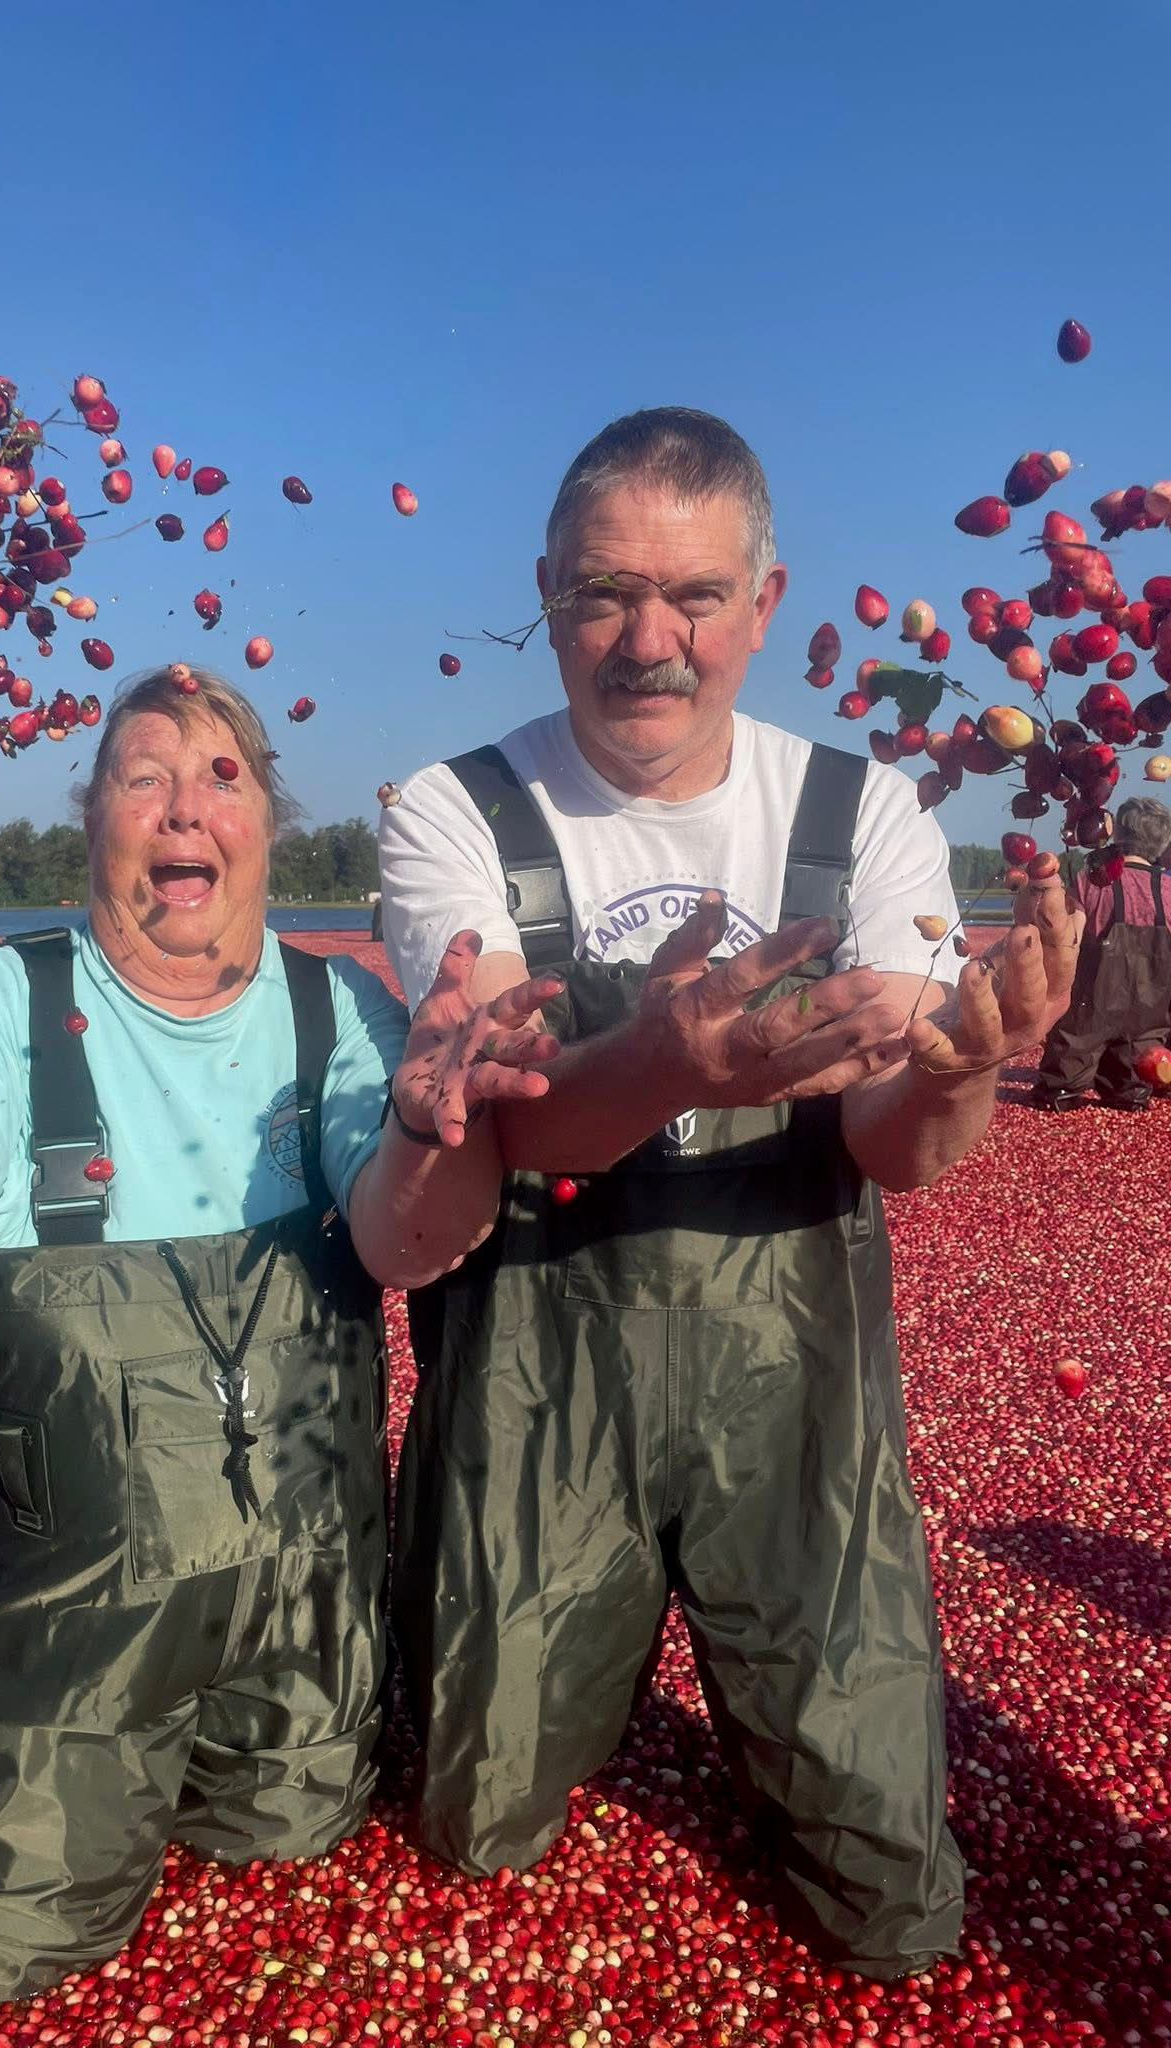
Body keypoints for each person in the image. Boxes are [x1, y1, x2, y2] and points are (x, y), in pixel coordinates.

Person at [0, 663, 559, 2009]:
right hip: (56, 1637)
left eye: (222, 775)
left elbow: (401, 1244)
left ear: (267, 827)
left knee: (292, 1868)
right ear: (95, 824)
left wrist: (430, 1128)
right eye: (144, 775)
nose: (184, 804)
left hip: (304, 1615)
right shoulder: (0, 1010)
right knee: (14, 1947)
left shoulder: (344, 1017)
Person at [377, 408, 1077, 1981]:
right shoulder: (452, 811)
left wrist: (966, 1066)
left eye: (694, 597)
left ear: (764, 603)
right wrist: (695, 1069)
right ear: (544, 592)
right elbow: (500, 1116)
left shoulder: (866, 812)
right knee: (477, 1825)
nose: (648, 641)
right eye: (604, 593)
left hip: (798, 1379)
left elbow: (898, 1142)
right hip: (539, 1370)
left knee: (883, 1901)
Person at [1032, 795, 1171, 1111]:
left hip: (1088, 1016)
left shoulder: (1091, 883)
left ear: (1119, 835)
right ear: (1162, 842)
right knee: (1137, 1081)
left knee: (1060, 1083)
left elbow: (1067, 943)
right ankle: (1129, 1091)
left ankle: (1064, 1091)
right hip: (1148, 1026)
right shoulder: (1167, 892)